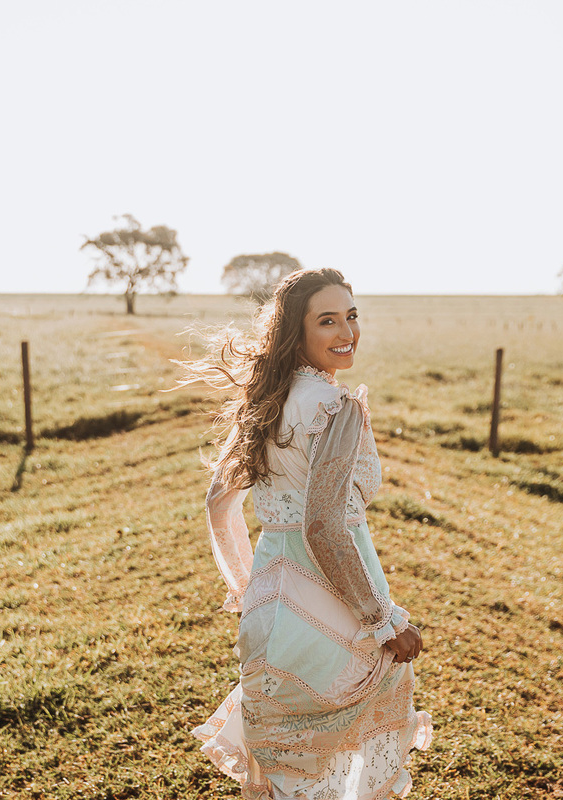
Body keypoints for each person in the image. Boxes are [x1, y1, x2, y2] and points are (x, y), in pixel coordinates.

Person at [185, 268, 433, 799]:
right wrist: (383, 621)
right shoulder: (336, 406)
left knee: (287, 775)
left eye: (352, 315)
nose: (347, 331)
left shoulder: (266, 400)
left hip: (271, 608)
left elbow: (218, 504)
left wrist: (248, 586)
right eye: (328, 320)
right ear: (296, 333)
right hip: (340, 613)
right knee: (343, 771)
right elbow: (323, 527)